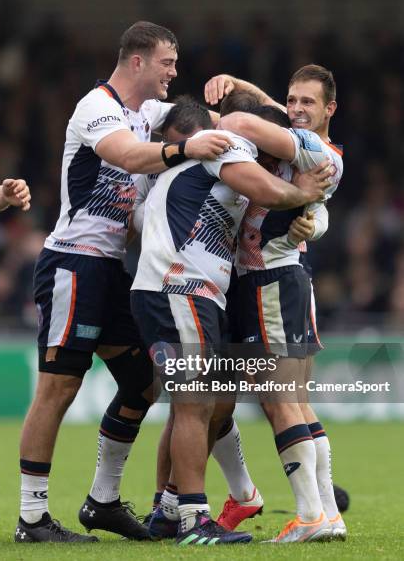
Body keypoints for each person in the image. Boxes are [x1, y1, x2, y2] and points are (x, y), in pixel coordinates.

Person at [16, 20, 234, 543]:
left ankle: (102, 501)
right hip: (74, 262)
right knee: (59, 386)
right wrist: (187, 150)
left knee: (144, 383)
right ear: (137, 61)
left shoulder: (151, 113)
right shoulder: (98, 107)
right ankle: (31, 518)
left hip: (114, 269)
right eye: (167, 62)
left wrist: (237, 91)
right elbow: (128, 155)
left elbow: (220, 124)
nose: (174, 72)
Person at [130, 95, 332, 546]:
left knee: (203, 404)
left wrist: (312, 219)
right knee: (195, 405)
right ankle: (193, 520)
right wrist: (305, 193)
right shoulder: (224, 147)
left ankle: (169, 511)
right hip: (179, 288)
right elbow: (269, 191)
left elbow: (143, 219)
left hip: (188, 292)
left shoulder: (185, 167)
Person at [205, 64, 346, 542]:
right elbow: (278, 117)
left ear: (331, 109)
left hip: (269, 281)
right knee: (298, 405)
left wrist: (220, 120)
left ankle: (309, 517)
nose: (298, 110)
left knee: (279, 401)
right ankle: (327, 513)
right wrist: (241, 86)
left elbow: (244, 123)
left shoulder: (317, 151)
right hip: (283, 280)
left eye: (309, 102)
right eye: (293, 100)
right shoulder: (303, 139)